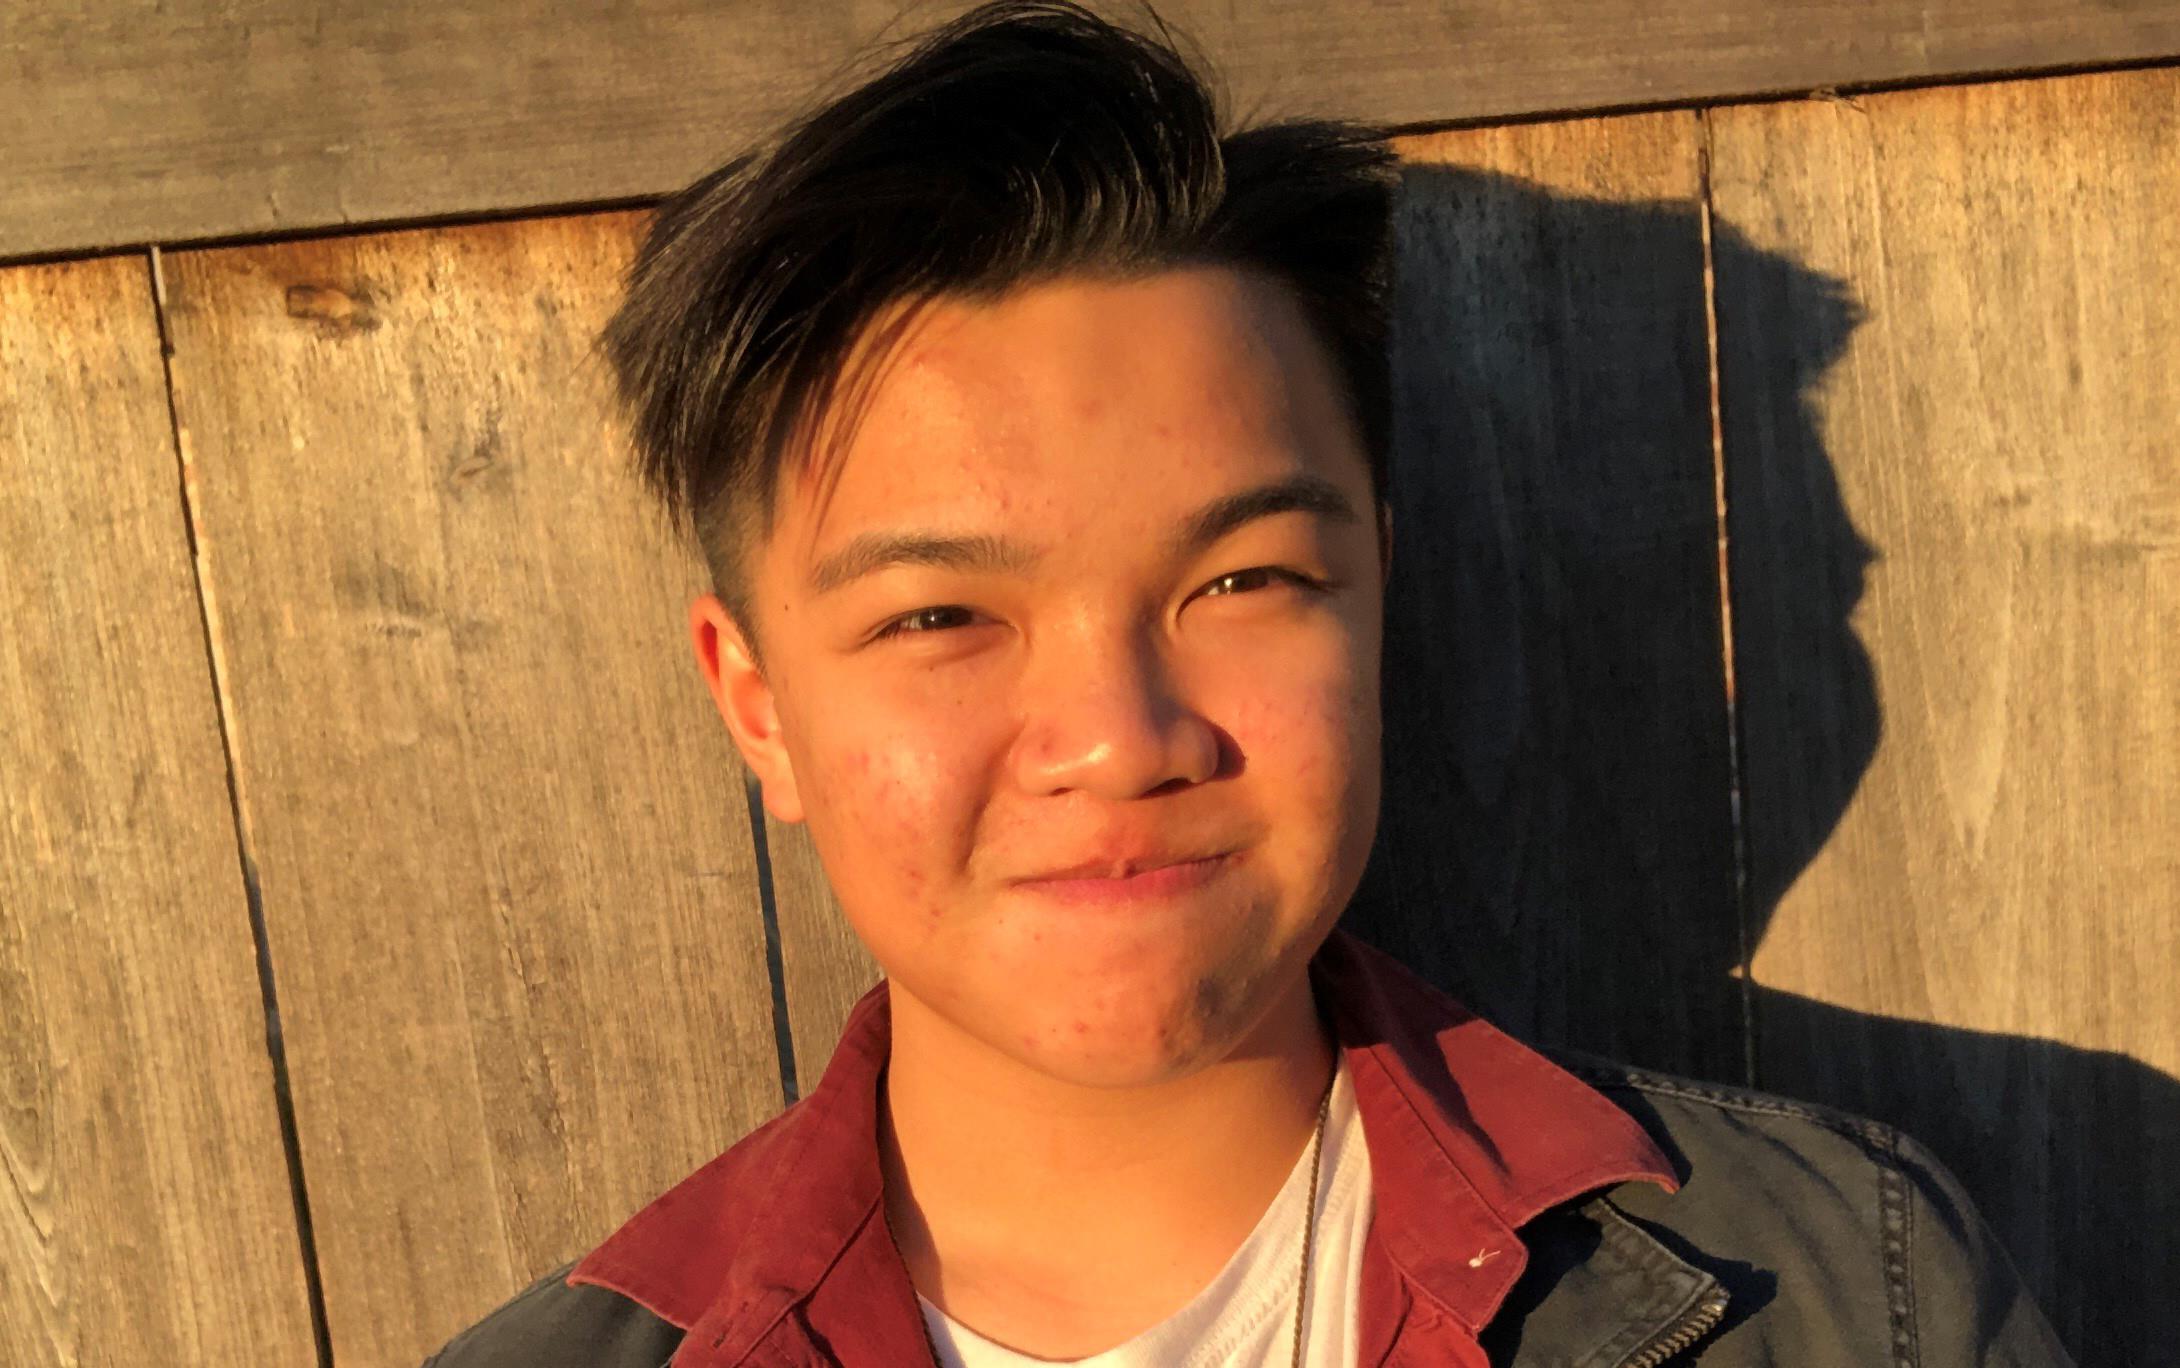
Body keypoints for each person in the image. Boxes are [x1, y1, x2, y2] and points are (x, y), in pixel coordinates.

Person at [426, 4, 2071, 1364]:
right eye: (940, 618)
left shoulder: (1854, 1299)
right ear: (758, 701)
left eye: (1243, 582)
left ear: (1376, 597)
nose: (1120, 739)